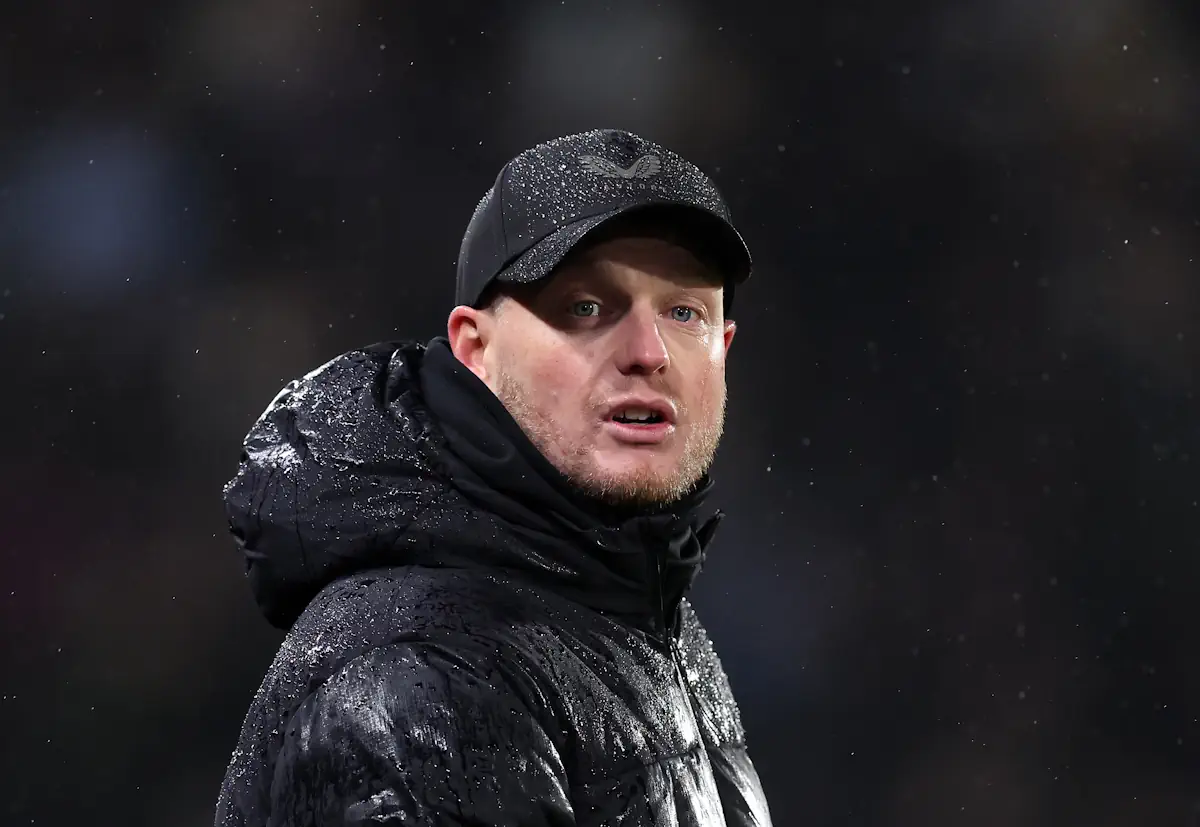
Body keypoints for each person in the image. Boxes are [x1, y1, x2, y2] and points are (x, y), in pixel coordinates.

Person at [215, 128, 772, 826]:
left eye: (683, 312)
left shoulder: (640, 613)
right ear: (474, 349)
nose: (648, 351)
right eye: (586, 307)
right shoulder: (419, 669)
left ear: (723, 350)